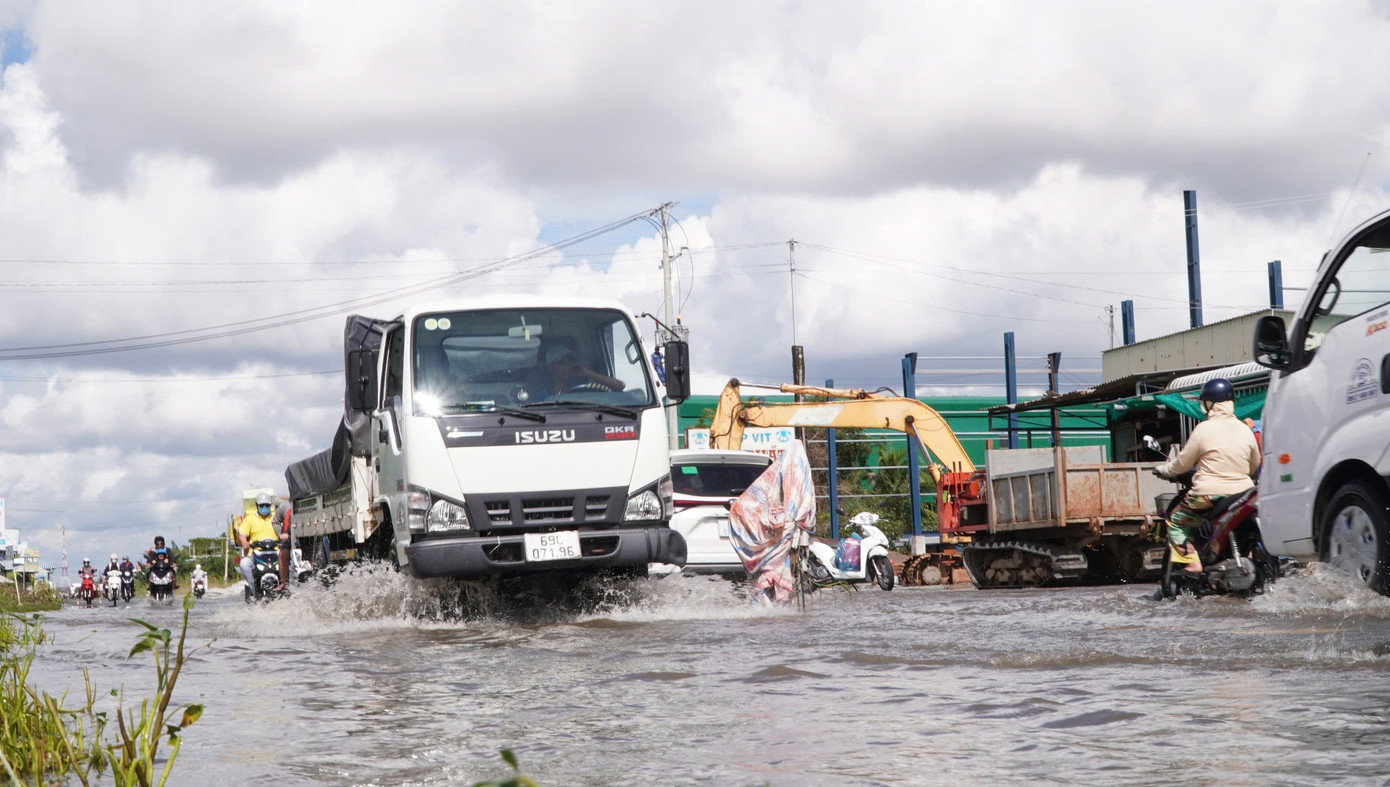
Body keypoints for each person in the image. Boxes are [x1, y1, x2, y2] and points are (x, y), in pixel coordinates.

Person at [1154, 378, 1261, 573]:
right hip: (1244, 493)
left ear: (1209, 403)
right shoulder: (1245, 430)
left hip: (1208, 494)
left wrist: (1164, 470)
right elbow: (1254, 464)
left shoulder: (1203, 429)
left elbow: (1182, 463)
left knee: (1175, 521)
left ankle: (1193, 562)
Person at [532, 343, 625, 398]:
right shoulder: (541, 394)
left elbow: (620, 386)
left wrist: (589, 374)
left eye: (570, 362)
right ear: (550, 367)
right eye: (561, 363)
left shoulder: (585, 388)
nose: (568, 366)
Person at [237, 492, 286, 591]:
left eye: (267, 505)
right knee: (244, 564)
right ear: (257, 505)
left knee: (292, 562)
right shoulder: (250, 519)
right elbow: (242, 534)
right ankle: (253, 588)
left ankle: (286, 586)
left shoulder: (276, 518)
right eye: (262, 505)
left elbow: (285, 531)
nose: (264, 507)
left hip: (276, 553)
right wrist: (244, 542)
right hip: (256, 554)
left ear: (270, 506)